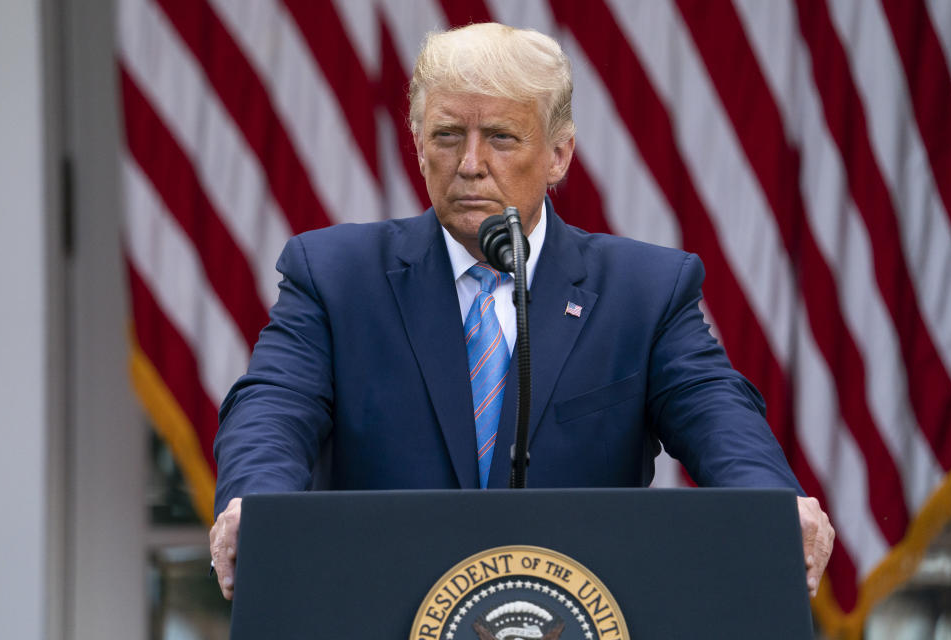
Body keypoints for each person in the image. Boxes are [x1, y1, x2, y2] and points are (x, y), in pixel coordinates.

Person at [210, 22, 834, 602]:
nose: (471, 164)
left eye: (502, 138)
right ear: (420, 145)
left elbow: (716, 410)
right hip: (381, 605)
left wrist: (770, 503)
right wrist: (256, 503)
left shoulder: (644, 291)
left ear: (559, 155)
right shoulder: (336, 275)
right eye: (447, 135)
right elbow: (272, 405)